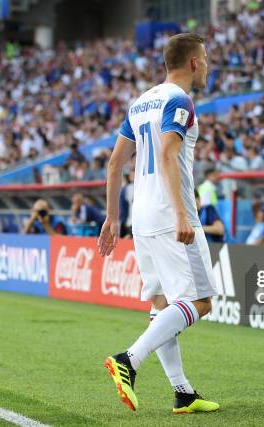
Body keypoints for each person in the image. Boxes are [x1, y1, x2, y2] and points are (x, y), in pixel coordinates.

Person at [98, 33, 219, 414]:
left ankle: (183, 392)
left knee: (162, 303)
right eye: (206, 59)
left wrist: (112, 218)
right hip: (171, 215)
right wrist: (183, 213)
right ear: (194, 63)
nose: (208, 65)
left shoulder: (139, 102)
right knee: (200, 302)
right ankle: (129, 360)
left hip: (141, 215)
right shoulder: (180, 100)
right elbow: (168, 155)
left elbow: (115, 162)